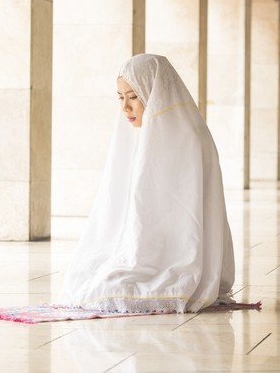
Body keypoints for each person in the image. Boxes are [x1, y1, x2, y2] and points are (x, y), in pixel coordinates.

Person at [59, 53, 235, 313]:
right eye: (121, 98)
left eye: (133, 96)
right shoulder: (143, 137)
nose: (125, 108)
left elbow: (184, 214)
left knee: (117, 283)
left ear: (154, 93)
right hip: (153, 243)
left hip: (178, 246)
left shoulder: (188, 137)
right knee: (90, 273)